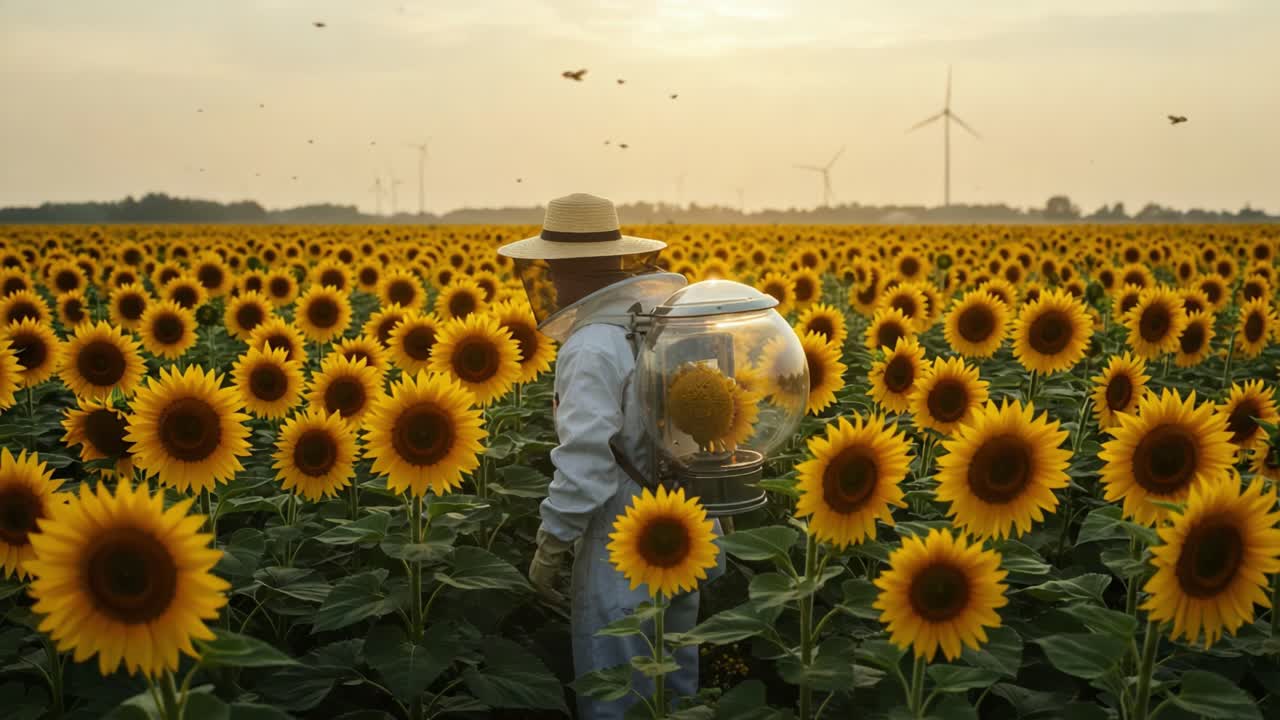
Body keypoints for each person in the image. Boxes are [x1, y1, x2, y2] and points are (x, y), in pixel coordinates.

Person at [498, 193, 722, 719]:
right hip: (679, 525)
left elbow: (586, 461)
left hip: (618, 535)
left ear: (561, 271)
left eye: (551, 271)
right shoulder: (660, 328)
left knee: (615, 683)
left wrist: (552, 542)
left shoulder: (591, 346)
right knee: (671, 676)